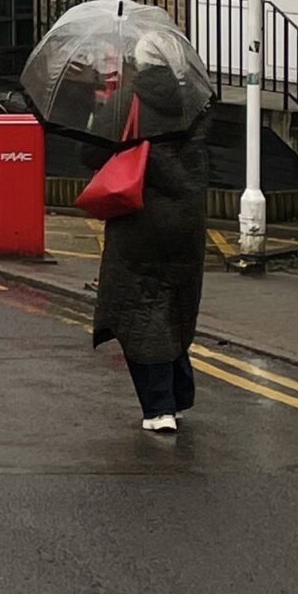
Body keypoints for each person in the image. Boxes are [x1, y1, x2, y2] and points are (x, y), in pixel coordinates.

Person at [89, 39, 209, 434]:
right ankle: (179, 393)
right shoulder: (195, 101)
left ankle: (159, 407)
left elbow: (90, 157)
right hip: (188, 220)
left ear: (140, 63)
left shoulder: (127, 99)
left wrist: (99, 115)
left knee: (140, 306)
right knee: (174, 301)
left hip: (140, 219)